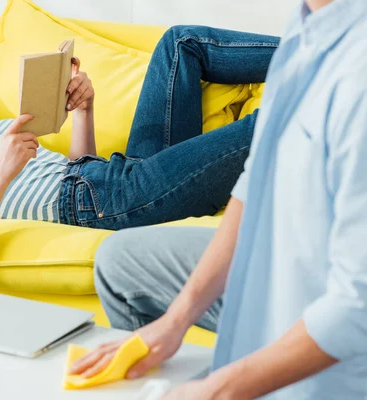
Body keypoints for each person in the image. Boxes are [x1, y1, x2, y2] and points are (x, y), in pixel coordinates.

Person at [69, 1, 367, 399]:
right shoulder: (302, 33)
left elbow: (355, 307)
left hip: (337, 348)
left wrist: (217, 391)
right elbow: (253, 184)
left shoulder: (356, 72)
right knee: (118, 261)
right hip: (101, 189)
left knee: (182, 41)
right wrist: (174, 322)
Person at [0, 26, 278, 287]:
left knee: (180, 44)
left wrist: (83, 111)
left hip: (108, 179)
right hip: (104, 200)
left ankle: (323, 45)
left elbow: (78, 167)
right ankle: (333, 68)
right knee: (268, 121)